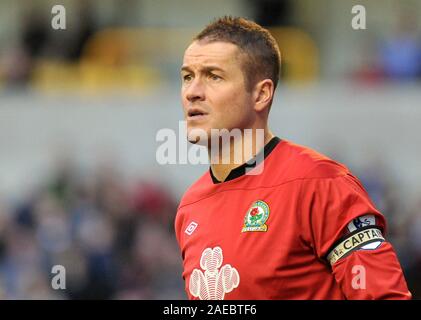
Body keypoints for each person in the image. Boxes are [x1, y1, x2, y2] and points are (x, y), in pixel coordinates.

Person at [174, 16, 411, 300]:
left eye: (213, 76)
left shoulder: (320, 184)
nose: (192, 92)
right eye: (188, 76)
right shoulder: (190, 206)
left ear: (261, 94)